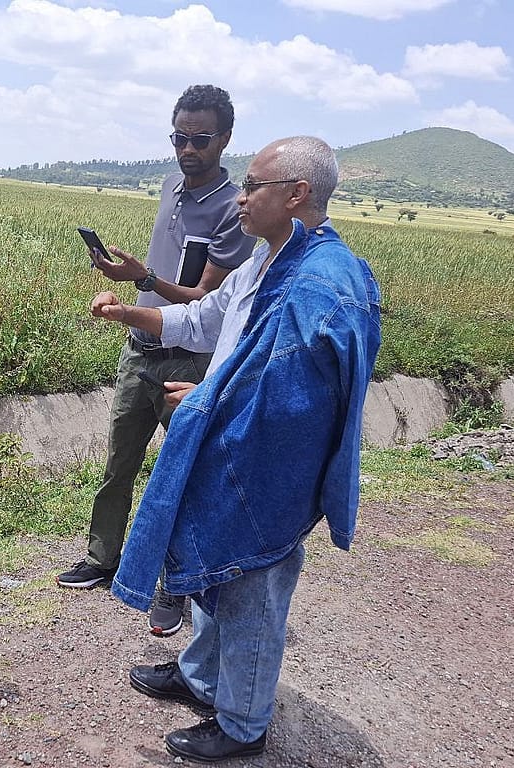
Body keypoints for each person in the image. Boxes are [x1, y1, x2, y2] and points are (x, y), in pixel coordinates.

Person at [97, 136, 381, 762]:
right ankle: (202, 677)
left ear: (297, 194)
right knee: (217, 568)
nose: (241, 199)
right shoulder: (262, 262)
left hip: (268, 467)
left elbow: (298, 403)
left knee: (252, 586)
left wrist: (204, 402)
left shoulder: (322, 282)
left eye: (253, 186)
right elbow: (202, 321)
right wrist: (125, 315)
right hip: (229, 448)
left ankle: (243, 723)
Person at [56, 85, 256, 638]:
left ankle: (177, 583)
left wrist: (141, 279)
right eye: (179, 137)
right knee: (118, 463)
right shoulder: (170, 186)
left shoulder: (233, 209)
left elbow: (204, 302)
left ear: (225, 139)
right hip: (139, 351)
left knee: (184, 474)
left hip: (187, 363)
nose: (187, 149)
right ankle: (102, 558)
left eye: (200, 139)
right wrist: (130, 283)